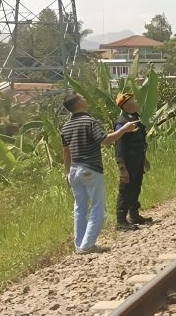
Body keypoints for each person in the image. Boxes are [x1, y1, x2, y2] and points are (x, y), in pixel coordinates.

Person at [61, 93, 139, 254]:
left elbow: (66, 151)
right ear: (79, 103)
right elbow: (105, 140)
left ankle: (79, 244)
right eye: (83, 98)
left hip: (74, 171)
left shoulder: (66, 126)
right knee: (98, 209)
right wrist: (125, 129)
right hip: (90, 168)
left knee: (80, 208)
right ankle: (88, 245)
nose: (85, 99)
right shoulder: (90, 122)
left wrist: (67, 172)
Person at [114, 93, 152, 231]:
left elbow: (140, 141)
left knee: (136, 186)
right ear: (126, 104)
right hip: (128, 161)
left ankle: (134, 215)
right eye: (133, 100)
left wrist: (144, 159)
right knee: (126, 189)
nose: (136, 102)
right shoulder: (122, 122)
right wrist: (122, 166)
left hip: (137, 159)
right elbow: (119, 145)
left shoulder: (135, 118)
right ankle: (121, 220)